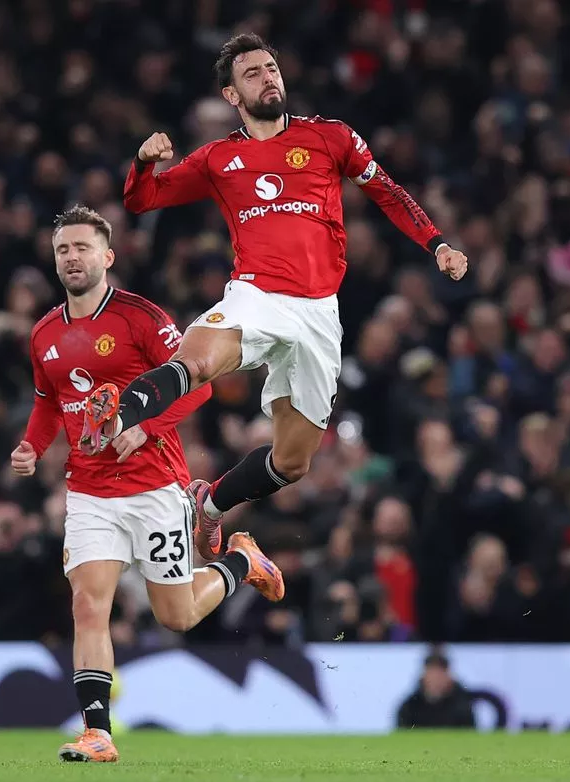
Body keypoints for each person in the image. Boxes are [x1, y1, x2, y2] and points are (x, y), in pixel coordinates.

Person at [79, 33, 469, 564]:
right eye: (253, 74)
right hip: (257, 294)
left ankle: (208, 504)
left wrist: (437, 243)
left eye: (271, 69)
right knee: (197, 360)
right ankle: (117, 413)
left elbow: (387, 191)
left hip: (320, 312)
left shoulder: (331, 137)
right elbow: (141, 199)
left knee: (292, 462)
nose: (268, 78)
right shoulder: (219, 158)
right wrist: (144, 162)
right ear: (231, 95)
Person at [10, 205, 286, 764]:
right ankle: (97, 733)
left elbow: (199, 386)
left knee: (176, 615)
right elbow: (49, 403)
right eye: (63, 249)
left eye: (82, 248)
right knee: (88, 604)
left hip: (154, 486)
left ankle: (242, 562)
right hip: (89, 492)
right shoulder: (43, 334)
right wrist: (32, 447)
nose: (72, 258)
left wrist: (145, 425)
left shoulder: (141, 318)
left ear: (107, 256)